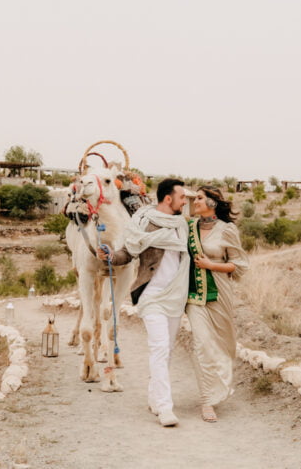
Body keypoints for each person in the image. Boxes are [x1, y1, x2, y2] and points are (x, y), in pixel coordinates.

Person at [98, 178, 189, 427]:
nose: (185, 201)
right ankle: (164, 407)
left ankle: (154, 397)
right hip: (151, 294)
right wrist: (110, 255)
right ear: (168, 199)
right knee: (159, 348)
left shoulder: (183, 225)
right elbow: (128, 252)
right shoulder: (144, 222)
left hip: (176, 296)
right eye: (182, 197)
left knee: (167, 350)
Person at [186, 185, 249, 422]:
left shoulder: (227, 230)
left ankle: (219, 388)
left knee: (222, 344)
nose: (196, 202)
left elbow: (239, 265)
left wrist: (211, 265)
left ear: (213, 202)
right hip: (194, 295)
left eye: (200, 198)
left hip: (220, 293)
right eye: (195, 198)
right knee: (201, 344)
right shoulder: (188, 227)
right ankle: (206, 401)